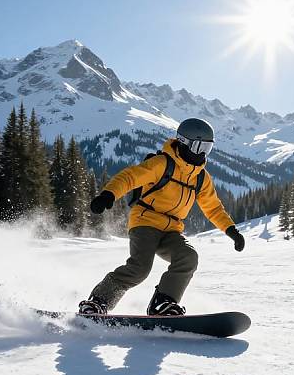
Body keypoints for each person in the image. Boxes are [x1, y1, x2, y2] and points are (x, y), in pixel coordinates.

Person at [79, 118, 245, 316]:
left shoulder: (200, 177)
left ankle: (163, 303)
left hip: (172, 229)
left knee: (188, 257)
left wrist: (231, 230)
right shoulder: (162, 164)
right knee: (140, 268)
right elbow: (130, 177)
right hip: (146, 221)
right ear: (184, 142)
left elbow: (213, 208)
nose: (202, 154)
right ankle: (98, 301)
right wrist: (109, 194)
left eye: (208, 148)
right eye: (200, 147)